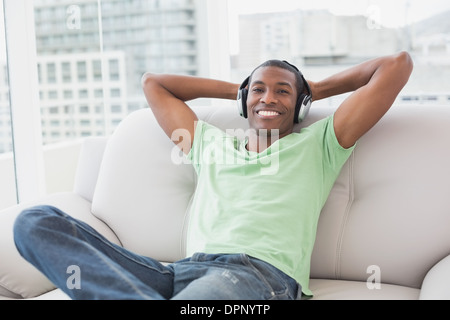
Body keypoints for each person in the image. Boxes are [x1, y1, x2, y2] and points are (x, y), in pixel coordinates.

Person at [13, 51, 413, 300]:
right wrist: (241, 89)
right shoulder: (209, 144)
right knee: (34, 222)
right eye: (258, 90)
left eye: (283, 92)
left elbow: (396, 65)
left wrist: (311, 87)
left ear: (300, 104)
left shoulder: (320, 144)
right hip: (175, 272)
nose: (269, 98)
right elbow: (155, 84)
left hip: (256, 277)